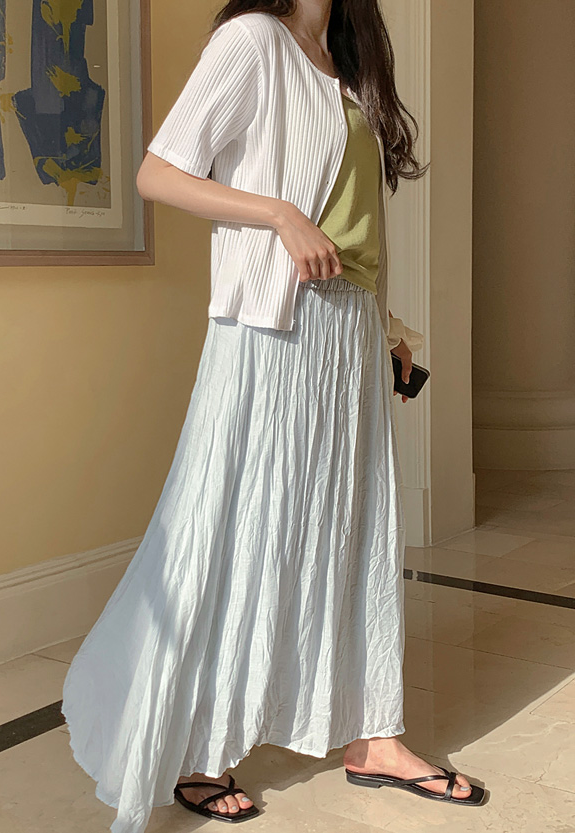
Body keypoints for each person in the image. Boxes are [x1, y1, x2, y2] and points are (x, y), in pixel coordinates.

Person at [61, 3, 485, 831]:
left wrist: (389, 333)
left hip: (348, 328)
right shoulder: (252, 40)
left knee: (356, 530)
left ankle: (374, 734)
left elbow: (356, 227)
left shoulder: (347, 64)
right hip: (273, 328)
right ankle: (197, 748)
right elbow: (159, 173)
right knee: (242, 527)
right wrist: (281, 215)